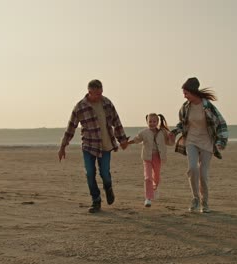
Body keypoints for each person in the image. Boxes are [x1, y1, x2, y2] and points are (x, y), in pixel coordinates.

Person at [58, 79, 129, 213]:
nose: (99, 96)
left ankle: (108, 188)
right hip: (89, 146)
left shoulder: (107, 103)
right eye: (96, 94)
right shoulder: (80, 107)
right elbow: (71, 128)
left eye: (101, 93)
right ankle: (96, 201)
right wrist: (62, 146)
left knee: (105, 174)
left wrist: (122, 139)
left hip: (106, 146)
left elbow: (117, 122)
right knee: (90, 174)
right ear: (89, 92)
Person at [170, 77, 228, 213]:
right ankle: (195, 198)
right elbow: (182, 123)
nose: (184, 96)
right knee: (192, 168)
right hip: (191, 140)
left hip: (207, 142)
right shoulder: (185, 107)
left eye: (186, 93)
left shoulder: (208, 106)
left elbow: (221, 123)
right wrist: (175, 132)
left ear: (193, 92)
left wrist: (221, 141)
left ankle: (205, 202)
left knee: (203, 174)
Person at [128, 113, 175, 207]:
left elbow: (170, 143)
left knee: (156, 177)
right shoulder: (143, 132)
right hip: (147, 157)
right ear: (147, 122)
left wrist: (172, 137)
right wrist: (126, 143)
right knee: (147, 177)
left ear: (157, 122)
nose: (152, 123)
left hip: (158, 157)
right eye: (150, 121)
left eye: (154, 121)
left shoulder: (162, 132)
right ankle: (148, 198)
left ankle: (155, 187)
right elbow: (136, 140)